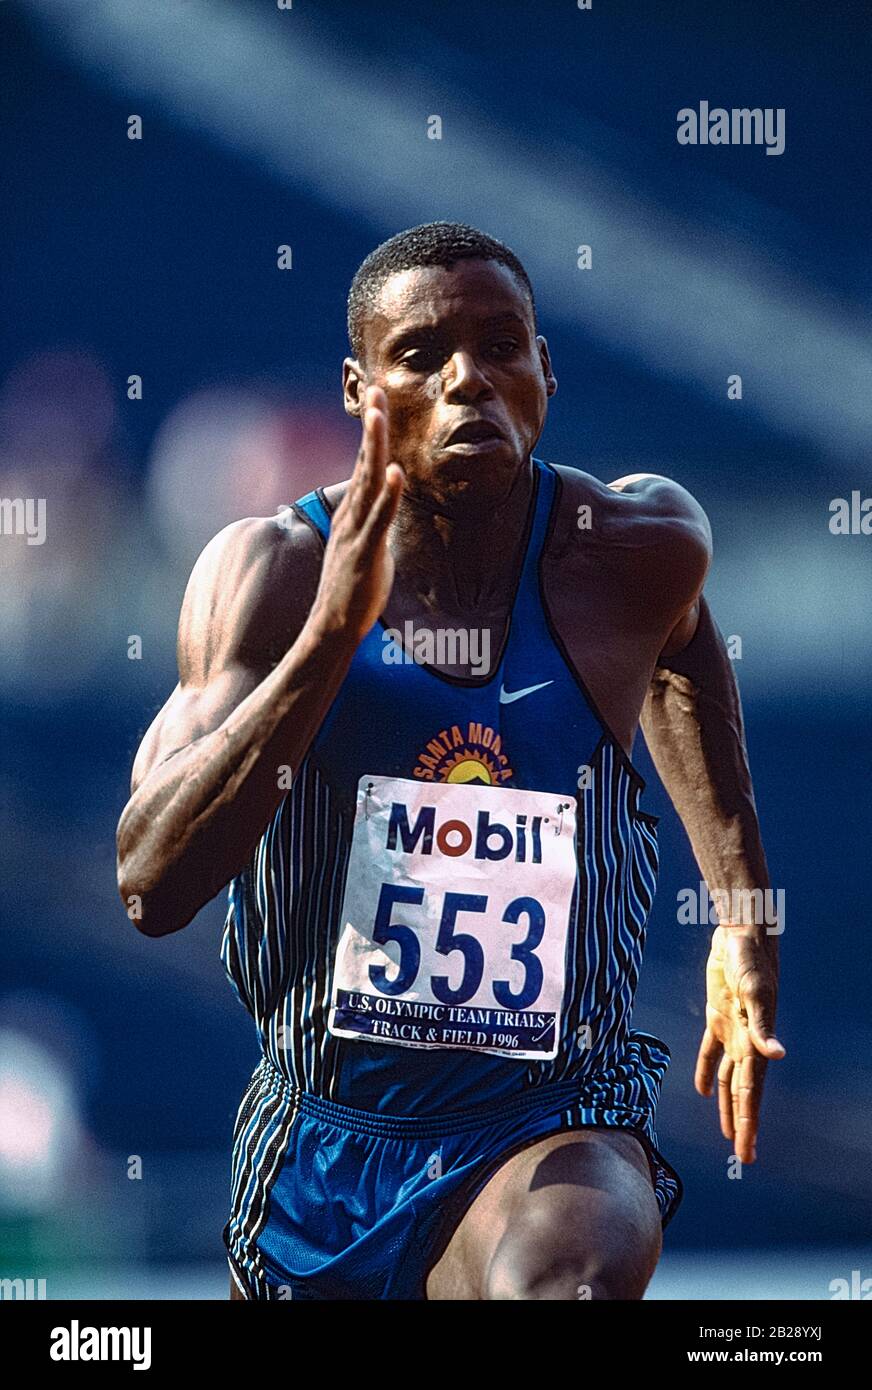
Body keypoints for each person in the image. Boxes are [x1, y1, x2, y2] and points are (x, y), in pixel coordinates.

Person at [116, 221, 785, 1301]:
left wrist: (739, 913)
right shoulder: (270, 575)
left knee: (567, 1276)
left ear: (544, 371)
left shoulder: (631, 549)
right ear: (359, 391)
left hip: (548, 1114)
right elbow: (150, 882)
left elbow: (680, 654)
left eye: (500, 345)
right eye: (422, 354)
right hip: (320, 1138)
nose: (468, 377)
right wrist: (330, 641)